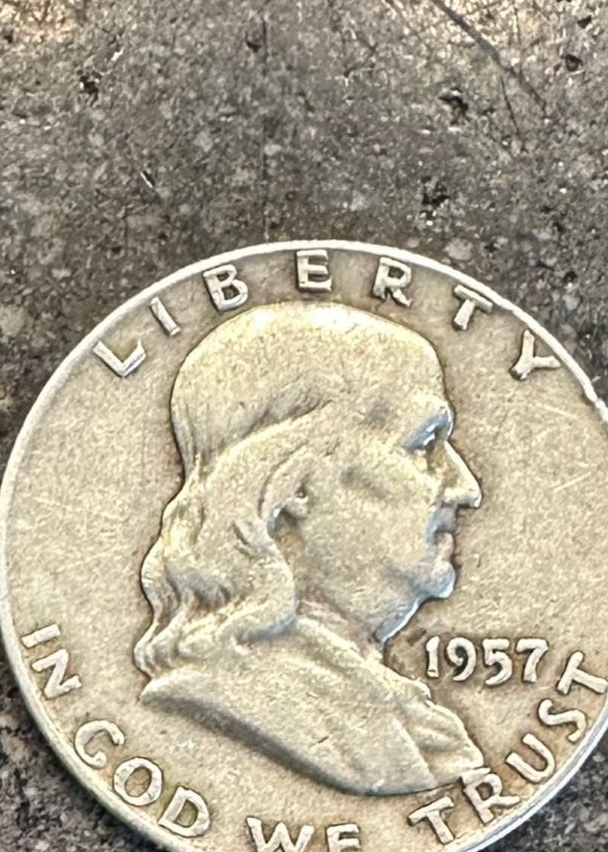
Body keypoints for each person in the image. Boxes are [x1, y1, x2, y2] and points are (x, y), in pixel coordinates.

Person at [133, 301, 485, 796]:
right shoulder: (236, 697)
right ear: (290, 482)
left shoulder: (399, 715)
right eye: (423, 445)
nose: (466, 488)